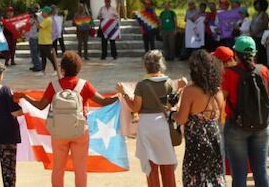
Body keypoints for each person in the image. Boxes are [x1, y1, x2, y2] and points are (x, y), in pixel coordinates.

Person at [15, 51, 118, 187]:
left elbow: (40, 106)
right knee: (80, 169)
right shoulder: (84, 85)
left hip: (58, 133)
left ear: (62, 69)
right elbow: (103, 101)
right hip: (80, 131)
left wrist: (25, 96)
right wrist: (121, 96)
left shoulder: (54, 85)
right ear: (78, 68)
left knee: (58, 168)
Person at [118, 50, 178, 187]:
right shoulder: (168, 82)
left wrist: (124, 94)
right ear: (160, 64)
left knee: (151, 164)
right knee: (167, 162)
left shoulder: (142, 85)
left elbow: (135, 108)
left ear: (145, 66)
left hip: (146, 126)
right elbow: (171, 105)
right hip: (163, 125)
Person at [222, 36, 269, 186]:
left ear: (235, 53)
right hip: (262, 126)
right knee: (261, 170)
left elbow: (220, 101)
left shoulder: (228, 74)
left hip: (236, 127)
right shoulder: (264, 71)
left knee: (239, 173)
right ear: (254, 53)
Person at [172, 50, 226, 186]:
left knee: (195, 178)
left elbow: (182, 119)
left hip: (197, 141)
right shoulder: (218, 91)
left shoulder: (190, 91)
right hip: (214, 136)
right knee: (215, 175)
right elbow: (221, 118)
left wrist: (172, 114)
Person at [36, 6, 58, 76]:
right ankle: (43, 71)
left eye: (43, 12)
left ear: (47, 13)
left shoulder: (48, 19)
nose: (42, 13)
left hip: (46, 42)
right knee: (43, 57)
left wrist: (35, 20)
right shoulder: (45, 19)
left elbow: (39, 26)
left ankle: (56, 69)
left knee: (50, 57)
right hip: (42, 41)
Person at [250, 0, 269, 65]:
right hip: (254, 37)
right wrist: (251, 32)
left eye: (258, 4)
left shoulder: (264, 14)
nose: (256, 5)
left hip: (261, 38)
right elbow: (251, 24)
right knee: (254, 52)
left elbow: (264, 25)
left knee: (261, 54)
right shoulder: (255, 14)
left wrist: (255, 32)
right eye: (256, 4)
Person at [26, 4, 42, 72]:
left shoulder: (35, 16)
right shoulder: (41, 15)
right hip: (38, 35)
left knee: (34, 52)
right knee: (36, 52)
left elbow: (30, 24)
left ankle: (38, 66)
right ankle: (36, 65)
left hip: (34, 36)